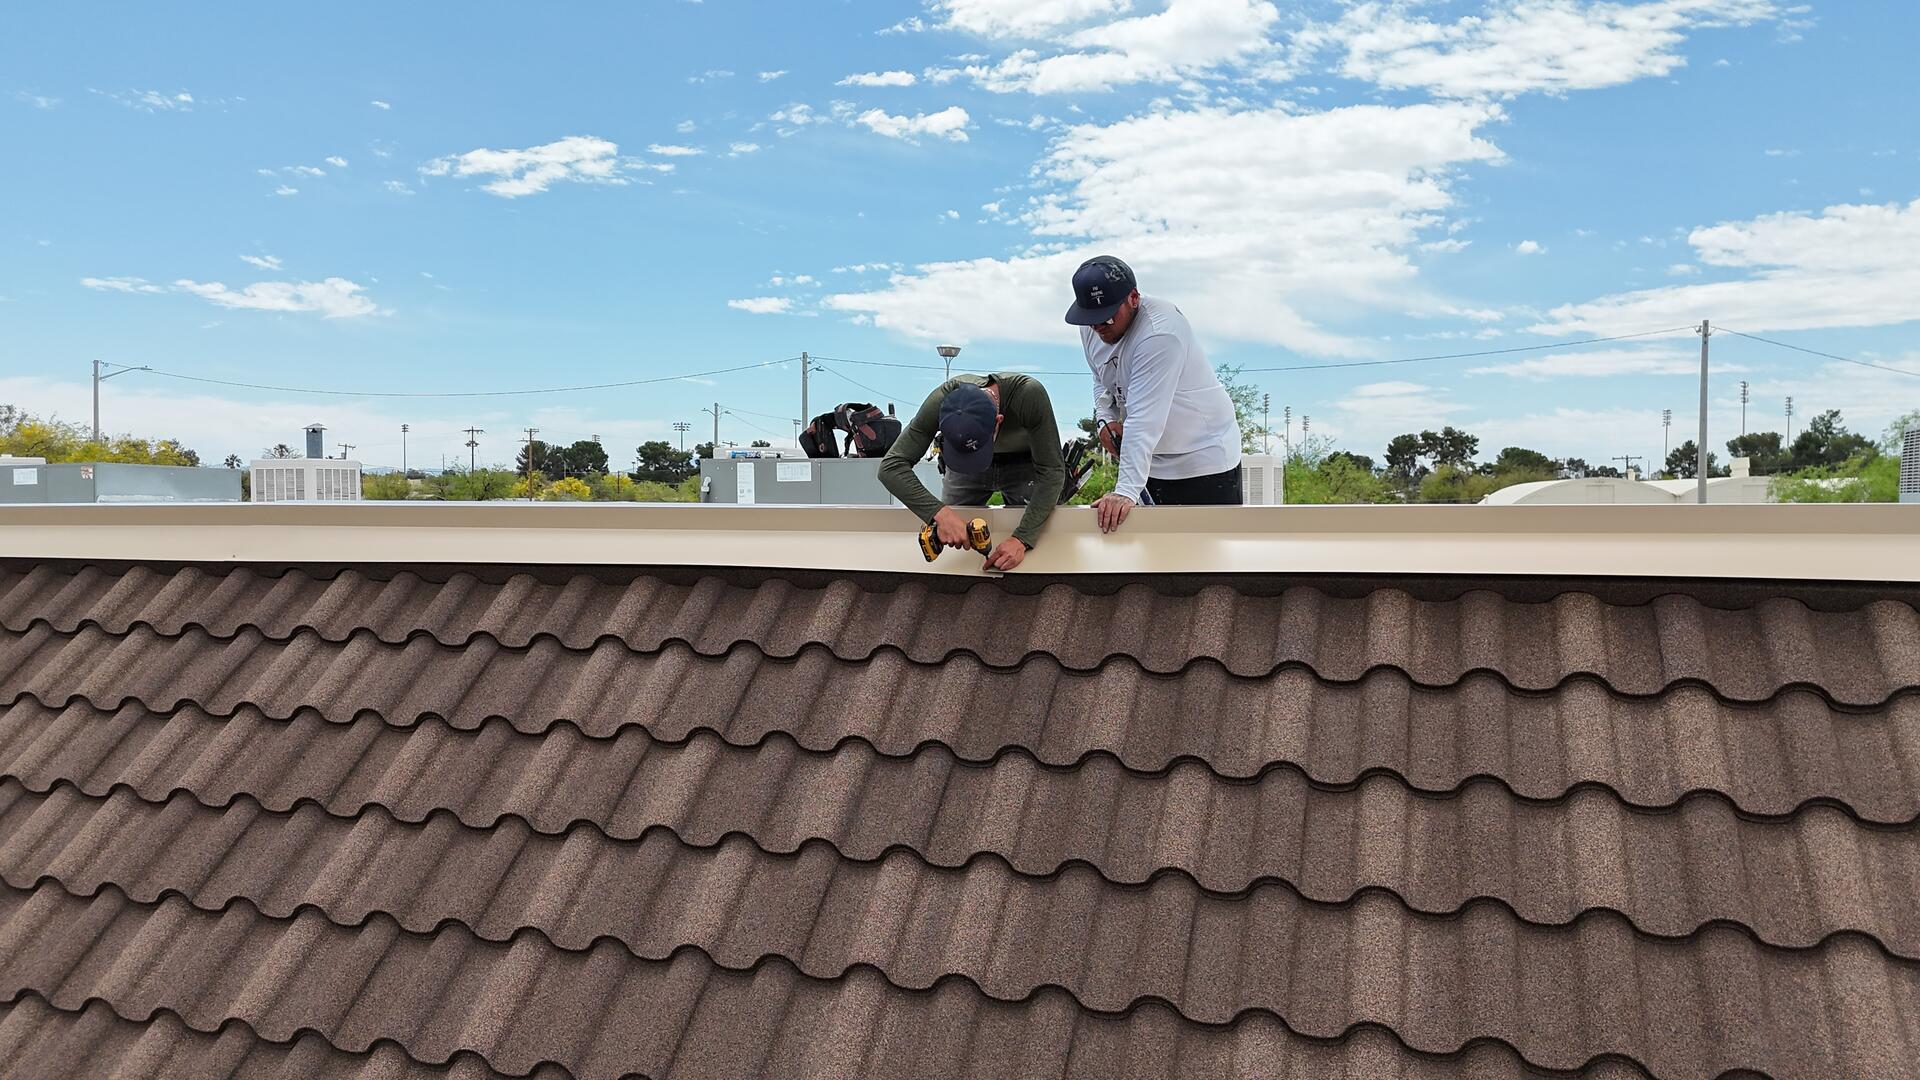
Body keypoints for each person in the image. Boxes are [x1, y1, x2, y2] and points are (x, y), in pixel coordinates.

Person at [1064, 255, 1242, 533]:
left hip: (1202, 458)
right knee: (1158, 560)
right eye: (1091, 319)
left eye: (1107, 317)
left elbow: (1144, 420)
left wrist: (1125, 491)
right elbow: (1101, 377)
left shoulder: (1160, 333)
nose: (1099, 327)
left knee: (1209, 563)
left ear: (1133, 297)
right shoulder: (1093, 327)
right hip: (1151, 462)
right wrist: (1104, 419)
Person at [879, 373, 1064, 571]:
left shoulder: (1028, 395)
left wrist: (1022, 539)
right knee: (950, 536)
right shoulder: (940, 402)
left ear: (998, 420)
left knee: (1040, 536)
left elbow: (1052, 471)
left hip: (1022, 461)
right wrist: (940, 514)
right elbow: (891, 467)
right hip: (962, 472)